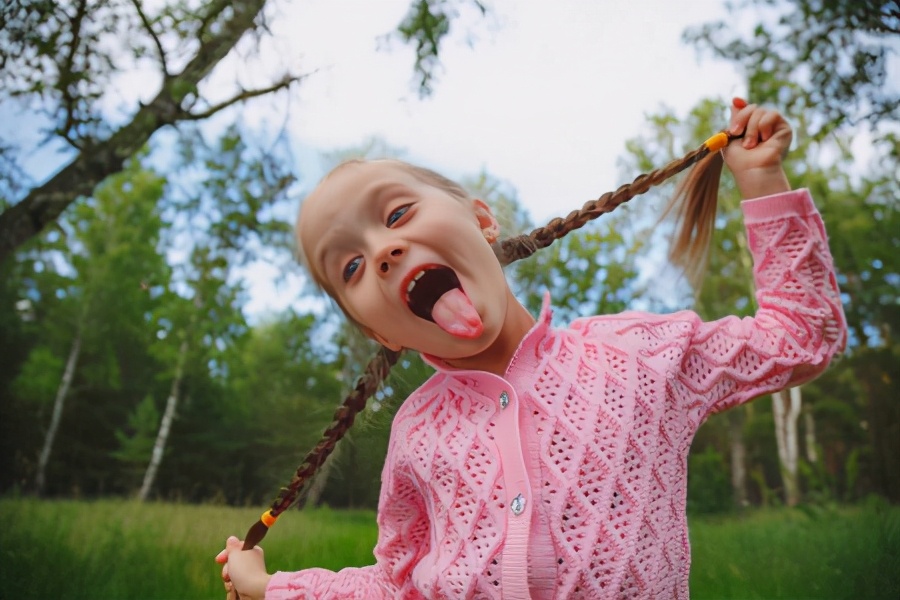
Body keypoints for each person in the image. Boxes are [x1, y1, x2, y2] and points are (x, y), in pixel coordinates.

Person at [215, 98, 847, 599]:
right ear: (381, 333)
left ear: (481, 222)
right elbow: (397, 585)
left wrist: (763, 180)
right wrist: (271, 587)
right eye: (351, 266)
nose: (383, 250)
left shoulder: (639, 358)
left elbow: (801, 336)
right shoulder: (415, 433)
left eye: (398, 214)